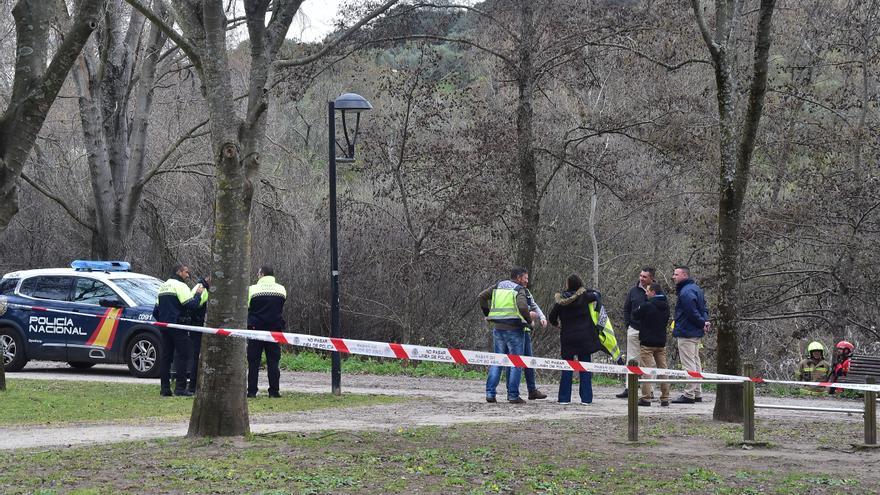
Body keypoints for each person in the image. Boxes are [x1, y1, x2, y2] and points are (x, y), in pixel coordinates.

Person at [479, 267, 532, 404]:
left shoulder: (499, 285)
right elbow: (522, 306)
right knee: (516, 363)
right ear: (519, 278)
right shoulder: (519, 290)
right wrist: (529, 321)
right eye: (525, 278)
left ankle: (490, 393)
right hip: (514, 330)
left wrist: (488, 314)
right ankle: (513, 395)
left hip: (498, 329)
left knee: (497, 362)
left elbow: (482, 297)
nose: (527, 281)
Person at [547, 274, 602, 405]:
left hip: (568, 337)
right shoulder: (585, 297)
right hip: (585, 338)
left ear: (568, 285)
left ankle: (564, 398)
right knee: (585, 368)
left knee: (567, 368)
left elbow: (551, 317)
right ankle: (586, 398)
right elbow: (597, 295)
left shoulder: (560, 300)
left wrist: (557, 325)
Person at [153, 264, 204, 397]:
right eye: (186, 272)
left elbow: (155, 311)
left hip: (164, 326)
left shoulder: (163, 286)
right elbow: (191, 305)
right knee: (184, 355)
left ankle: (165, 389)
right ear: (179, 272)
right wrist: (198, 295)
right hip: (178, 326)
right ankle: (180, 388)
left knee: (166, 357)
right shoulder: (180, 286)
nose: (188, 275)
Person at [670, 265, 710, 404]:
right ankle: (697, 392)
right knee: (695, 360)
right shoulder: (697, 289)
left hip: (687, 331)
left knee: (689, 363)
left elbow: (691, 312)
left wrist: (701, 322)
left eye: (676, 274)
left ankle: (689, 394)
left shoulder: (686, 292)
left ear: (684, 276)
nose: (673, 277)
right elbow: (704, 308)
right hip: (694, 331)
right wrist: (704, 321)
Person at [246, 266, 287, 398]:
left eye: (258, 273)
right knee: (273, 362)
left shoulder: (252, 289)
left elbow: (247, 306)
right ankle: (274, 391)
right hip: (274, 330)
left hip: (255, 329)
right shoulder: (281, 289)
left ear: (262, 274)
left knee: (253, 362)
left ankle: (252, 391)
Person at [616, 267, 655, 399]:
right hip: (634, 329)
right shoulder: (633, 291)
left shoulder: (656, 291)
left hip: (650, 332)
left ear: (651, 278)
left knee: (649, 361)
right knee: (632, 359)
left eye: (644, 276)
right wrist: (628, 324)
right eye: (640, 276)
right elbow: (626, 308)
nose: (641, 278)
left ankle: (649, 389)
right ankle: (629, 388)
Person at [632, 282, 671, 407]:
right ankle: (665, 397)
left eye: (647, 291)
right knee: (663, 370)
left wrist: (643, 303)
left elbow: (635, 314)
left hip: (647, 343)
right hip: (661, 342)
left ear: (653, 292)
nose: (645, 293)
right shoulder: (666, 306)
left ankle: (646, 398)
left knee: (646, 371)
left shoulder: (647, 305)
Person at [185, 276, 210, 395]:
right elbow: (194, 306)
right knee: (196, 357)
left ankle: (193, 385)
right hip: (196, 326)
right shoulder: (202, 288)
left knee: (196, 356)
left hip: (197, 325)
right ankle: (192, 386)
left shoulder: (201, 286)